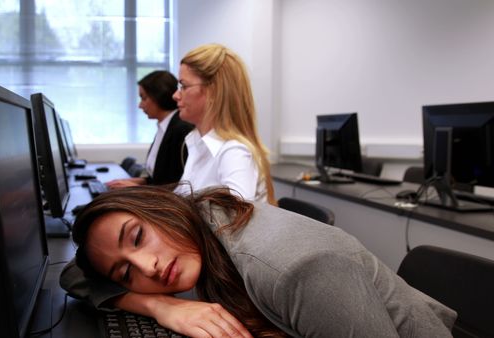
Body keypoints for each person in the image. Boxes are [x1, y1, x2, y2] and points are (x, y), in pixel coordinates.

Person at [60, 185, 456, 338]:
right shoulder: (205, 217)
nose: (147, 267)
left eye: (138, 237)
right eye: (126, 273)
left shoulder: (296, 268)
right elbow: (73, 275)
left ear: (161, 207)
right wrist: (158, 305)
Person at [172, 43, 275, 204]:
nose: (176, 95)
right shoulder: (199, 144)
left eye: (184, 86)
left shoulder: (234, 153)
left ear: (214, 91)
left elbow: (233, 224)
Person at [106, 71, 194, 189]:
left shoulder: (180, 129)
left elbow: (177, 185)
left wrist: (135, 188)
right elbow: (159, 178)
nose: (140, 105)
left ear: (159, 96)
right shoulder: (165, 126)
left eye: (144, 98)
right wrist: (135, 181)